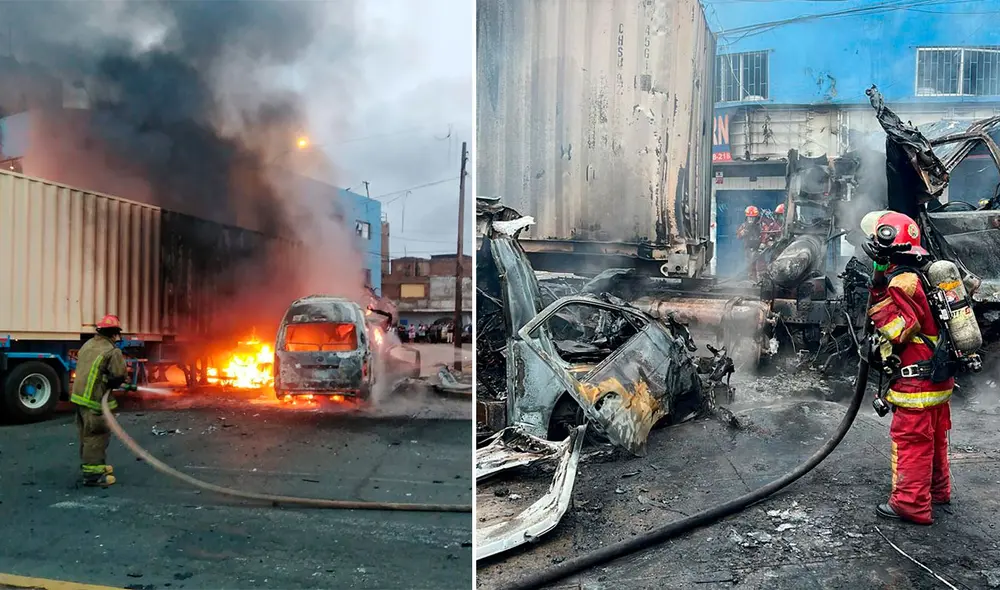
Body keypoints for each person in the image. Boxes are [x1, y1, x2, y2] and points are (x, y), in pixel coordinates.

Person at [864, 211, 953, 525]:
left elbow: (903, 326)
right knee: (934, 438)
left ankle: (910, 504)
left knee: (913, 440)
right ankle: (938, 491)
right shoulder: (922, 273)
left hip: (917, 381)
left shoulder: (903, 282)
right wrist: (878, 282)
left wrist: (879, 324)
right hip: (937, 376)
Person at [71, 314, 129, 487]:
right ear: (115, 333)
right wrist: (115, 383)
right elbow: (119, 375)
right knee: (96, 436)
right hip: (94, 401)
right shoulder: (112, 351)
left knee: (86, 435)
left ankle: (94, 466)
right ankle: (93, 476)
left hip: (79, 398)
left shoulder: (88, 344)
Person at [736, 205, 763, 279]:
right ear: (746, 217)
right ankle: (752, 280)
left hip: (759, 249)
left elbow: (765, 234)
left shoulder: (760, 225)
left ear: (756, 217)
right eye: (749, 217)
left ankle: (760, 279)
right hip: (748, 248)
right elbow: (738, 236)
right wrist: (742, 233)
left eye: (753, 217)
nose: (751, 219)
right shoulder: (744, 225)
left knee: (760, 266)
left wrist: (763, 243)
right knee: (750, 265)